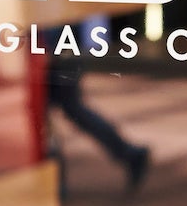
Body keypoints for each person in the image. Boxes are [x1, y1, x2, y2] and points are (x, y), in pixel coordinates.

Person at [43, 24, 151, 195]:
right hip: (63, 48)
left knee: (45, 116)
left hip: (54, 52)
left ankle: (55, 181)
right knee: (71, 109)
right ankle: (129, 153)